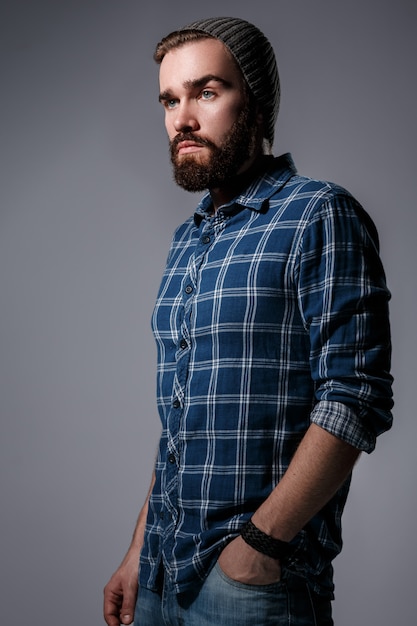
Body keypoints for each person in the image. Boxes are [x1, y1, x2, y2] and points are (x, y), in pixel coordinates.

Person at [103, 16, 393, 626]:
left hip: (252, 584)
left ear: (256, 105)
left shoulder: (319, 214)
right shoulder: (188, 241)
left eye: (207, 92)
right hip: (160, 574)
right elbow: (182, 423)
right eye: (170, 99)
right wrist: (137, 552)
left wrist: (259, 548)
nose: (182, 117)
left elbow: (355, 397)